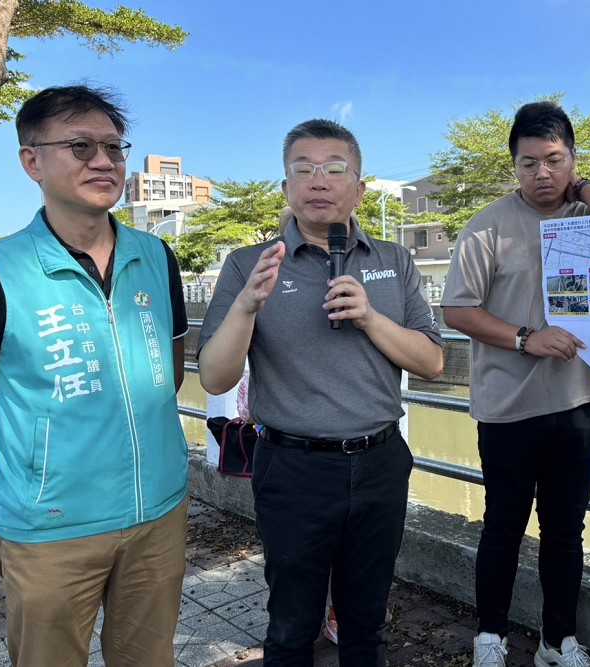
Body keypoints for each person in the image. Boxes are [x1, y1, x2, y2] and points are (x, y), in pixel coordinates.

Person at [0, 85, 190, 667]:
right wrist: (31, 477)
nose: (103, 160)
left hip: (160, 514)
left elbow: (164, 374)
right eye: (79, 145)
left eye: (114, 147)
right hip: (52, 530)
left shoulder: (156, 255)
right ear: (31, 161)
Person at [197, 119, 443, 666]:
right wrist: (246, 306)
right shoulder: (248, 265)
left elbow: (432, 361)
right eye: (302, 169)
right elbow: (215, 377)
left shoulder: (393, 261)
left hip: (380, 461)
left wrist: (371, 319)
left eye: (335, 169)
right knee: (291, 626)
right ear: (286, 188)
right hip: (292, 467)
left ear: (358, 187)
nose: (318, 181)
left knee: (366, 623)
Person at [441, 101, 590, 667]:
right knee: (503, 524)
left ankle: (559, 641)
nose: (542, 174)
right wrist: (527, 337)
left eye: (554, 160)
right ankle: (491, 636)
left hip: (577, 402)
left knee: (565, 530)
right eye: (529, 163)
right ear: (514, 165)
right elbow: (457, 310)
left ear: (573, 159)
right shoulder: (487, 227)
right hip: (508, 406)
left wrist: (587, 188)